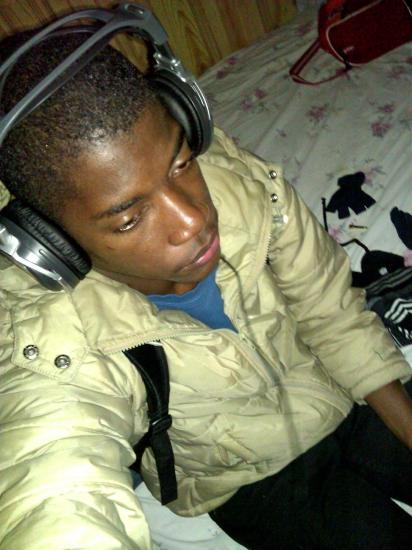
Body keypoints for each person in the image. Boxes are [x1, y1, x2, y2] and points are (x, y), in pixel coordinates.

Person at [0, 16, 411, 550]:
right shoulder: (49, 339)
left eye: (180, 163)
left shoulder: (243, 185)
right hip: (244, 480)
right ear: (52, 240)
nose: (194, 219)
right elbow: (50, 477)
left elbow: (332, 312)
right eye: (130, 218)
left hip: (334, 390)